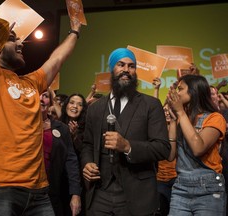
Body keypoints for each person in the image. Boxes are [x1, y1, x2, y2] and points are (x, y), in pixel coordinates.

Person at [0, 0, 81, 215]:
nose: (21, 44)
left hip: (38, 194)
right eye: (12, 39)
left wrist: (74, 31)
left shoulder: (32, 83)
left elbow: (58, 58)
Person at [81, 48, 171, 215]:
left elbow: (163, 148)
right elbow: (87, 144)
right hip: (100, 192)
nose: (126, 70)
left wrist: (128, 146)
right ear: (111, 69)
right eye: (120, 65)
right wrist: (87, 163)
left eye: (131, 66)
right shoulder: (95, 108)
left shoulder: (150, 105)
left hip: (137, 195)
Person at [167, 74, 227, 215]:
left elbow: (198, 148)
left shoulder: (215, 118)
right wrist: (173, 122)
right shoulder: (182, 118)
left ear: (193, 91)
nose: (177, 93)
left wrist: (181, 113)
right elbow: (170, 156)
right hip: (180, 188)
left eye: (180, 89)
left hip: (208, 189)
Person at [40, 89, 82, 216]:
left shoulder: (61, 128)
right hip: (22, 190)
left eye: (46, 96)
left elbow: (71, 161)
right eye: (38, 95)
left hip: (51, 192)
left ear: (51, 102)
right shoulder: (20, 124)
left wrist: (75, 194)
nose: (41, 99)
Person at [152, 77, 177, 216]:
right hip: (159, 179)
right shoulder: (157, 130)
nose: (166, 112)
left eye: (169, 110)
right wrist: (156, 89)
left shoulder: (178, 129)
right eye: (164, 111)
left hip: (176, 179)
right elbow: (154, 107)